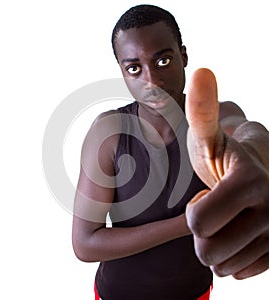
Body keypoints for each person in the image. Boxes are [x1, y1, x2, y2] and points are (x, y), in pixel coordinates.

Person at [72, 4, 269, 299]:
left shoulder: (216, 118)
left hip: (195, 293)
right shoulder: (109, 133)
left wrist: (261, 153)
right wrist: (186, 223)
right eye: (134, 68)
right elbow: (85, 244)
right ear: (123, 72)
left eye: (163, 61)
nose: (152, 81)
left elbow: (247, 134)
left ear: (183, 56)